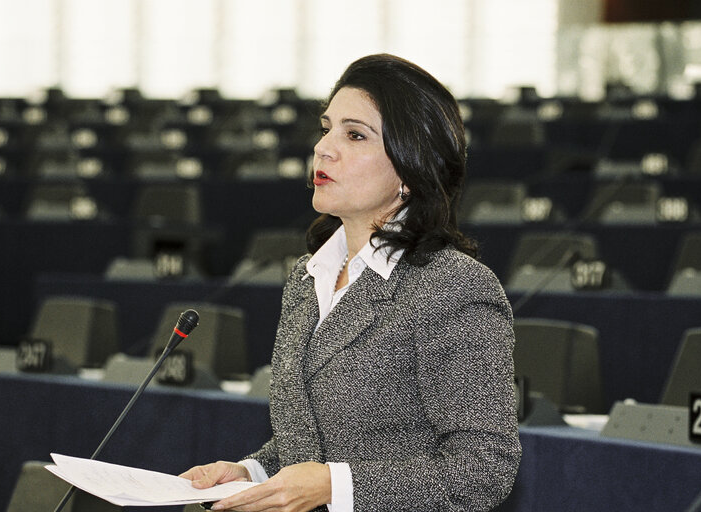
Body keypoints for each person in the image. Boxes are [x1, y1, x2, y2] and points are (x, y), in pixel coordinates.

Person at [181, 53, 521, 512]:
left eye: (355, 134)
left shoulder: (453, 288)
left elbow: (484, 466)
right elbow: (314, 445)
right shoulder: (307, 277)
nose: (324, 147)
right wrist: (251, 473)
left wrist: (336, 489)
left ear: (410, 167)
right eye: (327, 128)